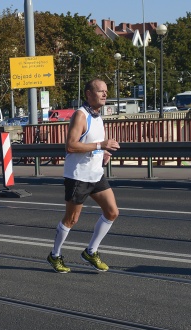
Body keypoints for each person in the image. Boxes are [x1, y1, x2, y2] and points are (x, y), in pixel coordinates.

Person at [46, 79, 120, 273]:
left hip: (96, 175)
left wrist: (101, 153)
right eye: (100, 91)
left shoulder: (98, 116)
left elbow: (92, 143)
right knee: (71, 219)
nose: (105, 94)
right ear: (88, 94)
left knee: (112, 212)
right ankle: (54, 255)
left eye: (106, 91)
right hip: (78, 176)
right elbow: (70, 146)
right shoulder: (81, 115)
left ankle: (91, 251)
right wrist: (100, 146)